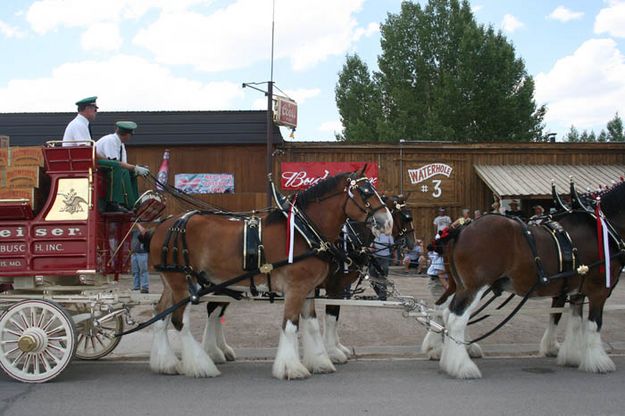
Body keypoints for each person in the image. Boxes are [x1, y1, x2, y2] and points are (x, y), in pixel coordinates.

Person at [95, 121, 150, 212]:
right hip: (98, 167)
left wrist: (135, 169)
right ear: (127, 135)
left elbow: (124, 164)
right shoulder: (110, 140)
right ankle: (114, 202)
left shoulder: (121, 144)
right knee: (120, 169)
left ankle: (133, 203)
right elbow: (115, 163)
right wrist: (135, 167)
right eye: (131, 135)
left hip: (106, 167)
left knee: (130, 172)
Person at [368, 232, 395, 300]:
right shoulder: (374, 235)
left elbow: (392, 247)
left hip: (385, 258)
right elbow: (371, 246)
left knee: (382, 277)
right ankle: (379, 294)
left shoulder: (388, 236)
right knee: (372, 277)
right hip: (375, 258)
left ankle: (382, 296)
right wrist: (371, 249)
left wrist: (393, 256)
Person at [131, 223, 149, 293]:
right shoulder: (134, 231)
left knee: (143, 271)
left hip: (142, 253)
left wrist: (138, 224)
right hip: (134, 253)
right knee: (135, 272)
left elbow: (143, 231)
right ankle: (136, 287)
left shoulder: (144, 230)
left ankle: (145, 287)